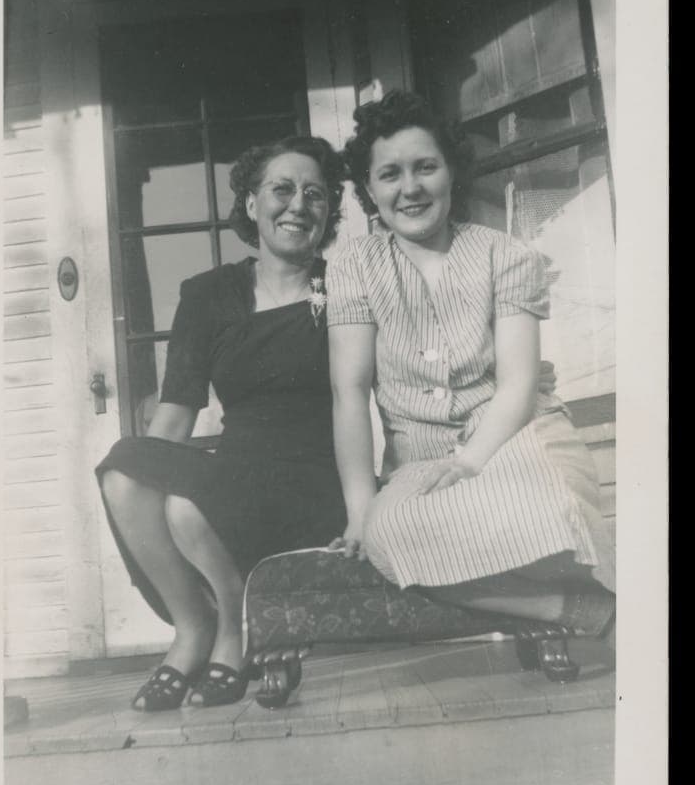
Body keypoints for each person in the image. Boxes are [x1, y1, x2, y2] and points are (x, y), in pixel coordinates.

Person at [326, 90, 615, 679]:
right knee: (388, 533)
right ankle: (578, 611)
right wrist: (359, 509)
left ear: (451, 171)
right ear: (370, 190)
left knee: (550, 510)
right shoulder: (354, 266)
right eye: (390, 174)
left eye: (425, 167)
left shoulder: (503, 255)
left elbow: (516, 385)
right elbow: (349, 392)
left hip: (513, 436)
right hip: (421, 460)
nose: (410, 188)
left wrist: (473, 460)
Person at [96, 134, 347, 711]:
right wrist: (155, 482)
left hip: (313, 481)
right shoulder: (209, 294)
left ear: (329, 211)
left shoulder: (341, 287)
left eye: (315, 194)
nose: (298, 205)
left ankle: (230, 626)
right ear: (252, 204)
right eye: (281, 190)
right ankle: (194, 626)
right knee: (123, 469)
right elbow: (177, 414)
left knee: (186, 505)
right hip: (238, 474)